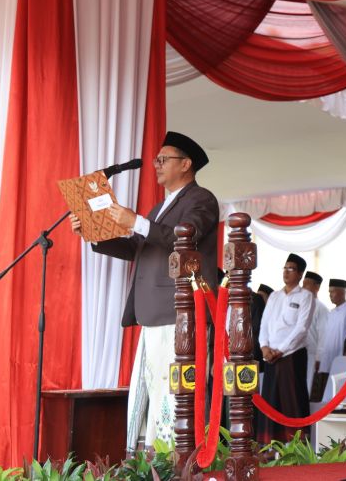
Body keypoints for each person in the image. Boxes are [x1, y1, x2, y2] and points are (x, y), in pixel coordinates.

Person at [74, 131, 219, 453]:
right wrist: (93, 234)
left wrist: (135, 221)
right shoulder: (159, 208)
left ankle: (179, 457)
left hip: (180, 311)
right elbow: (137, 249)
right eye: (157, 160)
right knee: (152, 389)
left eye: (163, 159)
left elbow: (186, 238)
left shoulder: (201, 199)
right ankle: (150, 457)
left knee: (174, 391)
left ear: (186, 164)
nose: (157, 165)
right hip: (155, 311)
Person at [257, 254, 316, 443]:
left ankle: (297, 445)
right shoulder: (274, 296)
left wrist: (280, 350)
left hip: (292, 355)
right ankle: (270, 446)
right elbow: (264, 324)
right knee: (271, 401)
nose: (286, 272)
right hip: (270, 356)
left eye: (291, 269)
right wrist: (264, 347)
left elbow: (301, 328)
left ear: (300, 274)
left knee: (293, 400)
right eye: (285, 268)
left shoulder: (306, 296)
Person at [318, 278, 346, 397]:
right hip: (327, 358)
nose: (330, 295)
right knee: (325, 392)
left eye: (333, 292)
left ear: (342, 292)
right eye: (329, 292)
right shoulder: (331, 312)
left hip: (340, 358)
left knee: (338, 392)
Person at [302, 271, 328, 398]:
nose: (303, 287)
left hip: (311, 355)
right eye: (303, 283)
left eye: (307, 284)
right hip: (297, 353)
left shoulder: (321, 308)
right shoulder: (300, 304)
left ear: (317, 287)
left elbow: (323, 334)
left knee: (307, 387)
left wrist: (319, 357)